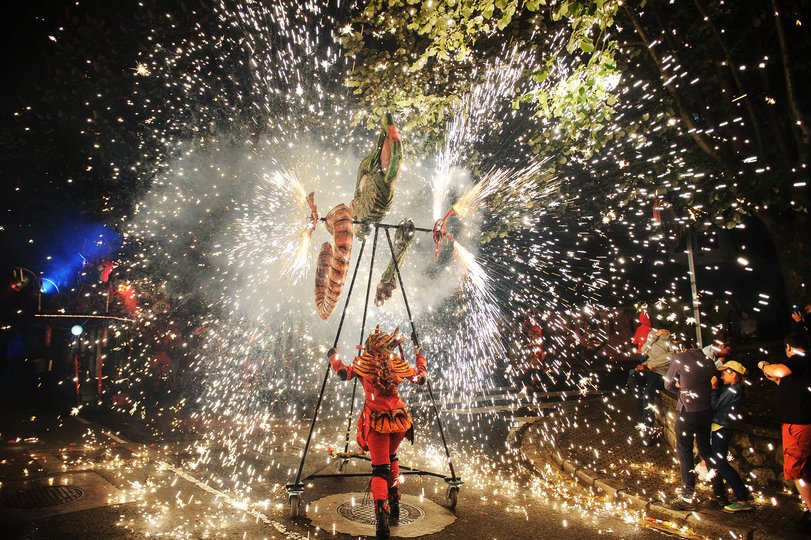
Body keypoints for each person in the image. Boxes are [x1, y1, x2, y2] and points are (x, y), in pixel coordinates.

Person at [328, 325, 427, 539]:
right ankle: (395, 502)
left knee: (380, 469)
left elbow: (343, 373)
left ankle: (381, 517)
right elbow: (421, 379)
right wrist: (420, 357)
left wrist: (333, 356)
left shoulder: (363, 363)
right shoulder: (397, 363)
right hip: (400, 420)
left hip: (378, 423)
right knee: (392, 457)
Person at [758, 333, 811, 533]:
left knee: (798, 472)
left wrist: (763, 365)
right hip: (799, 425)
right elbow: (786, 381)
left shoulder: (800, 358)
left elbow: (779, 370)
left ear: (789, 347)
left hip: (799, 427)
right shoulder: (803, 367)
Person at [664, 336, 720, 510]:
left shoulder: (678, 358)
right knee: (707, 451)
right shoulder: (708, 360)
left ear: (681, 347)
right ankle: (719, 492)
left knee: (685, 453)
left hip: (687, 413)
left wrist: (680, 389)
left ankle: (687, 498)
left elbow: (667, 385)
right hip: (706, 412)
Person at [708, 360, 752, 512]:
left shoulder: (733, 390)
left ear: (733, 374)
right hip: (722, 426)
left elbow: (715, 406)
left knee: (721, 463)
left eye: (723, 373)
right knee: (720, 462)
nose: (721, 377)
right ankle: (742, 494)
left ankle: (742, 499)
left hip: (722, 427)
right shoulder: (734, 388)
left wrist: (713, 389)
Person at [627, 328, 675, 443]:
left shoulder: (670, 343)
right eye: (660, 330)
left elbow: (671, 356)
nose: (662, 331)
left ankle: (648, 429)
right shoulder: (653, 339)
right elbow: (643, 351)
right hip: (646, 368)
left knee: (648, 394)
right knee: (633, 379)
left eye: (664, 330)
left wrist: (651, 364)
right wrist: (653, 337)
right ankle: (642, 416)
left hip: (659, 373)